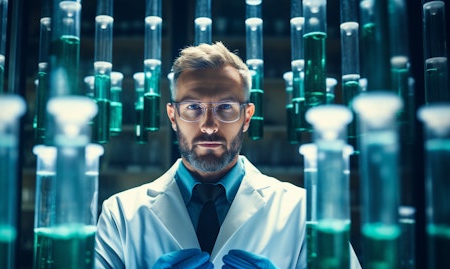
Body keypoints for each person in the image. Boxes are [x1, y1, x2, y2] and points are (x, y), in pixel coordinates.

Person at [94, 42, 361, 268]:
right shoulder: (120, 215)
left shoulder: (303, 211)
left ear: (247, 117)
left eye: (226, 107)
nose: (209, 125)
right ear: (173, 116)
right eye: (193, 107)